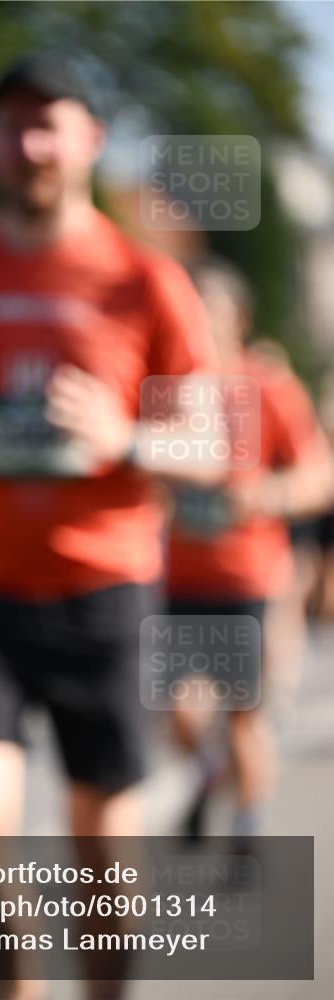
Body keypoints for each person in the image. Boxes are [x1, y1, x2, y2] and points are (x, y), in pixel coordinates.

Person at [0, 51, 219, 1000]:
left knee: (102, 857)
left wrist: (121, 434)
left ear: (89, 141)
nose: (28, 144)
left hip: (102, 593)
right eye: (9, 126)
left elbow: (210, 445)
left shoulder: (144, 281)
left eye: (48, 124)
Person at [165, 257, 333, 839]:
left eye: (206, 314)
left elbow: (318, 476)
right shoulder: (161, 388)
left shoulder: (270, 387)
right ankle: (209, 773)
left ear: (237, 319)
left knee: (243, 717)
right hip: (173, 578)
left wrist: (261, 497)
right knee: (178, 715)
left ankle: (248, 832)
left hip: (246, 578)